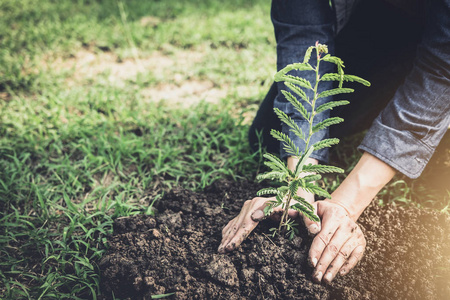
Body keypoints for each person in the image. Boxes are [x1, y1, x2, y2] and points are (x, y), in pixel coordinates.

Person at [218, 0, 450, 284]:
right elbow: (302, 30)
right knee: (269, 134)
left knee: (437, 165)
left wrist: (347, 205)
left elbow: (443, 67)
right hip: (383, 22)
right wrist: (299, 184)